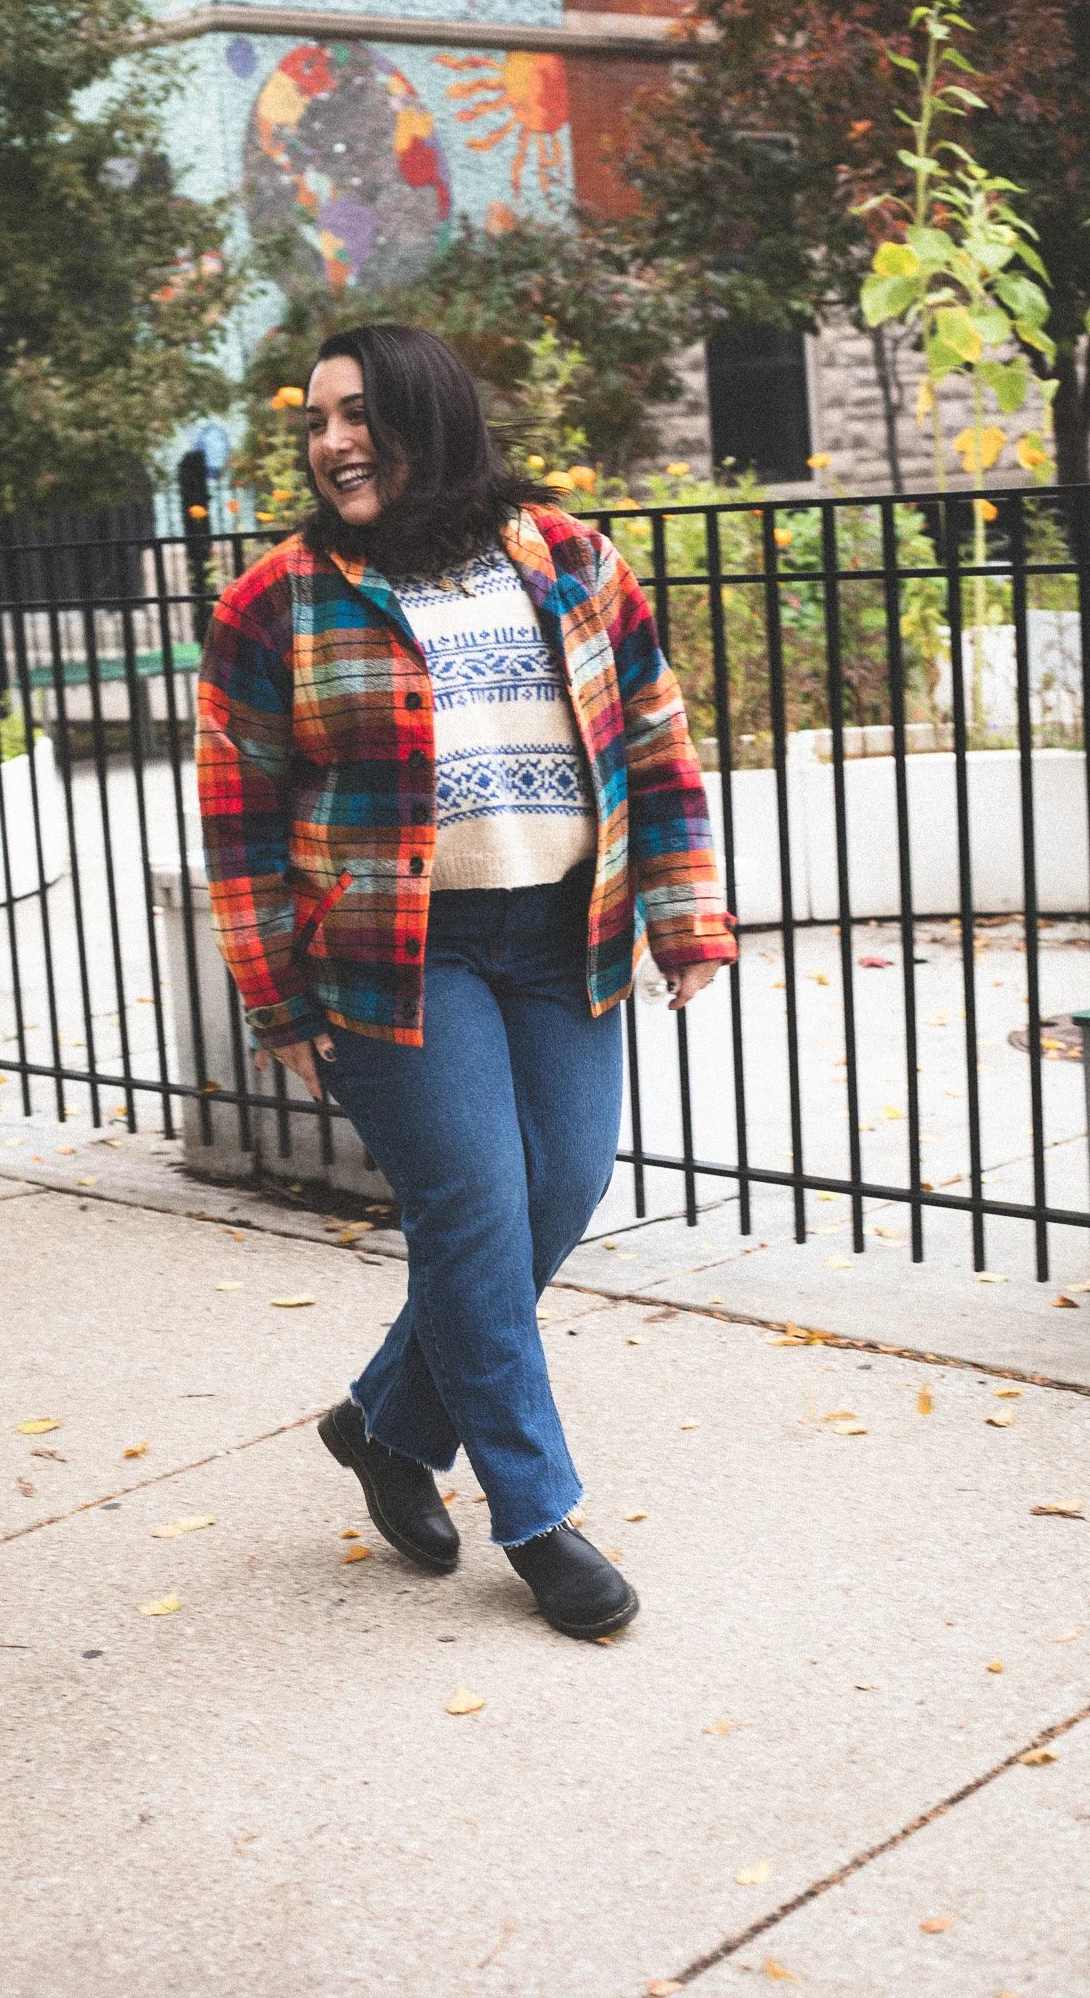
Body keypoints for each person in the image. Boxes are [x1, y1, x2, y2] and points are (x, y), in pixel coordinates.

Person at [198, 323, 735, 1640]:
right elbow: (238, 816)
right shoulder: (276, 601)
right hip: (397, 960)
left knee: (561, 1188)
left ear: (430, 418)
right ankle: (540, 1517)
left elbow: (655, 746)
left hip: (565, 936)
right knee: (477, 1209)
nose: (331, 441)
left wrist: (686, 920)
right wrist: (276, 996)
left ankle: (386, 1422)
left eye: (357, 413)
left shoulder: (568, 559)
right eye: (315, 420)